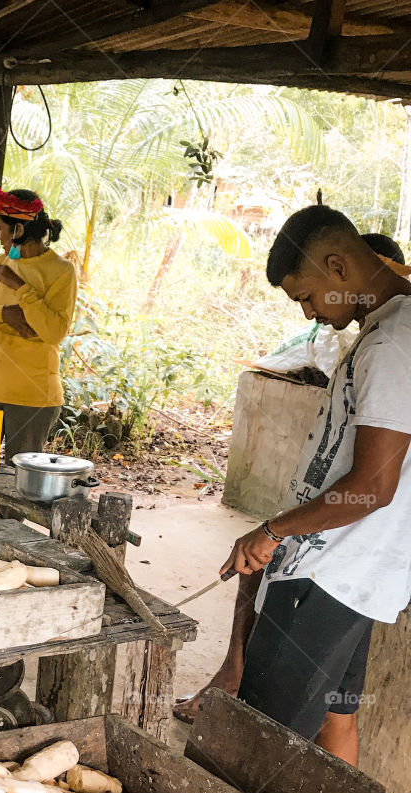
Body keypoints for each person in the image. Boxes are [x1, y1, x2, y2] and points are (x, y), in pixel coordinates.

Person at [174, 232, 409, 740]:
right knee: (334, 718)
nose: (308, 314)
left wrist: (273, 530)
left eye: (306, 296)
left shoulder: (393, 343)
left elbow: (373, 486)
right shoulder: (385, 331)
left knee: (261, 738)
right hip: (348, 575)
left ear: (337, 266)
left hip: (329, 575)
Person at [0, 187, 77, 460]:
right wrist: (2, 315)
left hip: (32, 399)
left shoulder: (62, 271)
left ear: (19, 231)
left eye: (1, 228)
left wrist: (20, 287)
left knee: (19, 488)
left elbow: (53, 332)